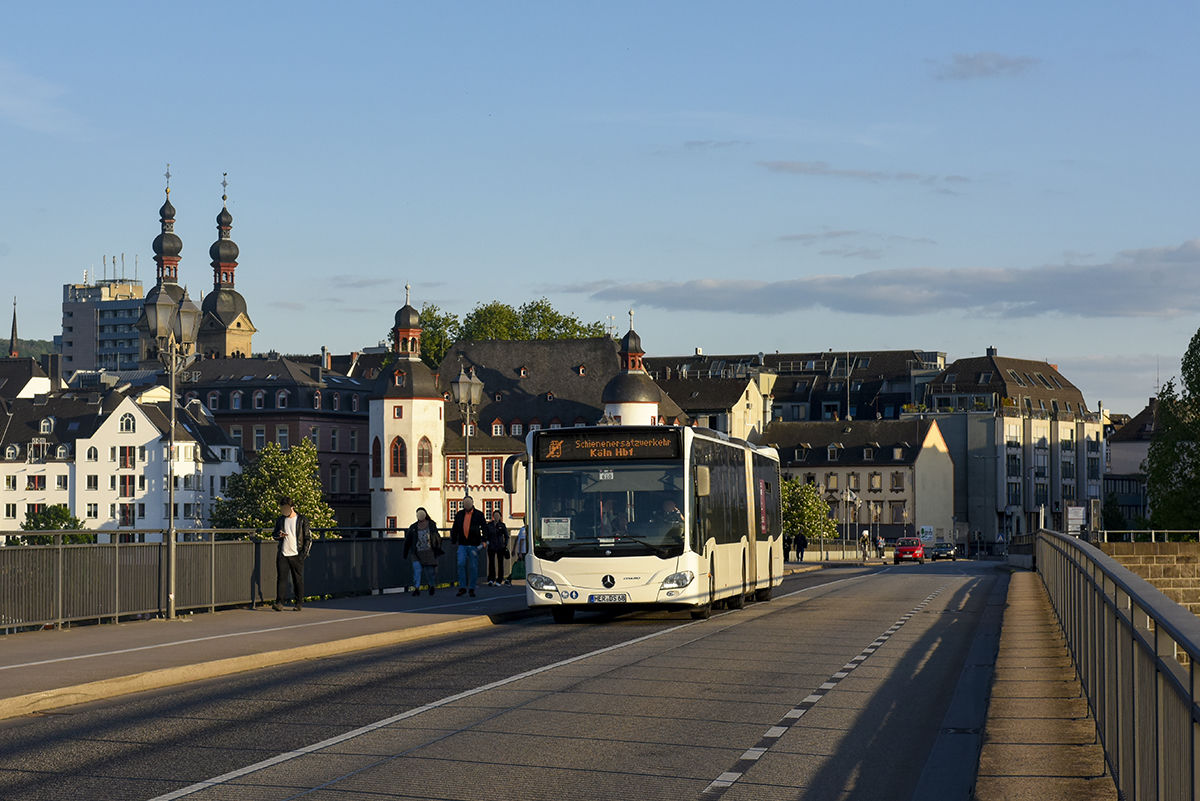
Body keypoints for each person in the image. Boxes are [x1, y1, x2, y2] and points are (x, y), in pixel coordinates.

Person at [272, 496, 311, 612]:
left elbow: (308, 538)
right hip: (283, 554)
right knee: (281, 579)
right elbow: (274, 534)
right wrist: (279, 535)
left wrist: (302, 555)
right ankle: (279, 603)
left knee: (297, 579)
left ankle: (298, 602)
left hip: (296, 554)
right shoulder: (280, 520)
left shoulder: (302, 520)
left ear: (292, 507)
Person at [451, 496, 487, 596]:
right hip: (462, 544)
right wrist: (454, 541)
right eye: (465, 503)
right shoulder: (459, 514)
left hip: (474, 544)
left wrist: (484, 540)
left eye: (468, 502)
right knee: (460, 564)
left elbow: (484, 528)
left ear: (472, 503)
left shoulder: (478, 514)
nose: (467, 504)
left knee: (473, 567)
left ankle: (472, 588)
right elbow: (455, 528)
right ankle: (462, 587)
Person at [403, 507, 442, 596]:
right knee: (417, 570)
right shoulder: (413, 527)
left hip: (429, 552)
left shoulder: (431, 524)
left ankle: (431, 585)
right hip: (416, 553)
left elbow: (436, 536)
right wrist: (405, 552)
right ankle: (417, 588)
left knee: (430, 572)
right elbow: (408, 540)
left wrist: (438, 548)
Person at [485, 510, 509, 586]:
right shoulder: (489, 525)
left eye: (498, 516)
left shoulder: (502, 525)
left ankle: (500, 579)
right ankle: (491, 579)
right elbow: (486, 534)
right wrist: (486, 541)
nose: (496, 517)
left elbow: (506, 536)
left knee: (500, 563)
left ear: (500, 517)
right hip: (491, 546)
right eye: (495, 515)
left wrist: (505, 544)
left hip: (500, 547)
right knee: (491, 563)